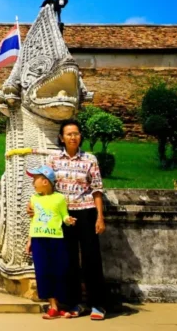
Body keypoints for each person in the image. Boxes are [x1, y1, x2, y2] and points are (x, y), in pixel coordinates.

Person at [48, 119, 108, 320]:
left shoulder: (90, 160)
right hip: (64, 216)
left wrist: (100, 217)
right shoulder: (53, 160)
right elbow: (47, 189)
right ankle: (75, 303)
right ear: (61, 138)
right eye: (69, 134)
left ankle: (98, 304)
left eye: (76, 133)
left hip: (86, 212)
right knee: (69, 260)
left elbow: (97, 189)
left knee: (92, 258)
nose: (73, 137)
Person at [25, 165, 77, 319]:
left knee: (60, 271)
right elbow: (33, 221)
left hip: (56, 239)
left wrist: (69, 220)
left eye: (35, 180)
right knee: (43, 272)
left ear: (46, 182)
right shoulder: (34, 199)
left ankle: (61, 305)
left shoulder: (59, 198)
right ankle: (52, 306)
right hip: (38, 239)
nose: (33, 183)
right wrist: (29, 240)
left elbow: (64, 216)